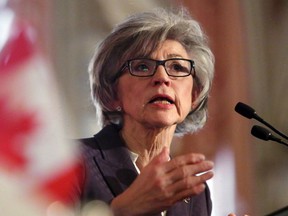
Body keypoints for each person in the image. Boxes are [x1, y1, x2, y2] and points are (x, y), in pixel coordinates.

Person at [71, 7, 216, 216]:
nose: (162, 77)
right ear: (112, 95)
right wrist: (122, 211)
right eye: (141, 67)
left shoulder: (194, 192)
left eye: (177, 67)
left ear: (193, 97)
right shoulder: (74, 163)